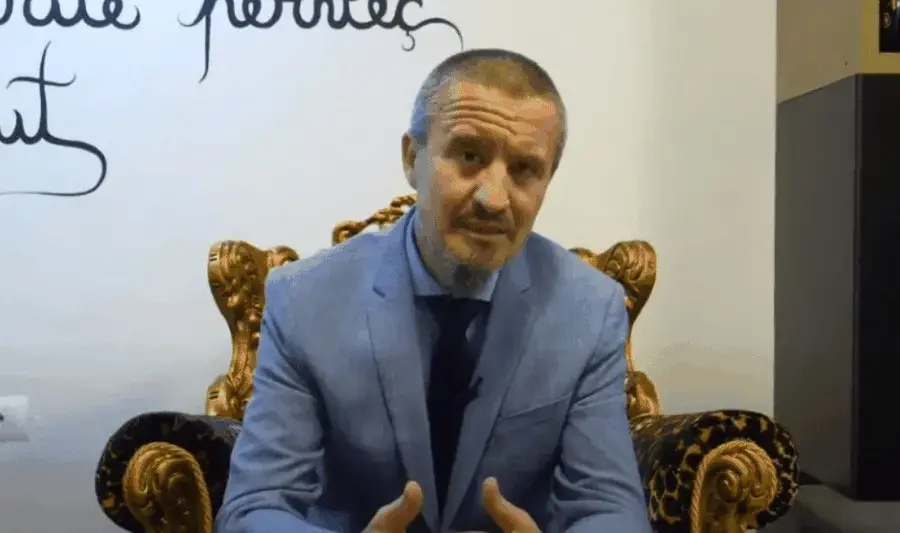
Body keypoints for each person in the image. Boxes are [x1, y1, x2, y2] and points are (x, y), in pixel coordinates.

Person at [216, 48, 651, 533]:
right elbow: (253, 508)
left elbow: (612, 511)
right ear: (412, 158)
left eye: (525, 169)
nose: (493, 198)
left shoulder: (590, 310)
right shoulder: (305, 300)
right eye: (469, 156)